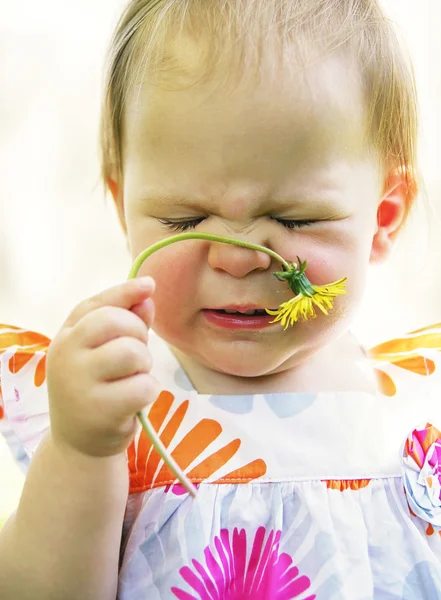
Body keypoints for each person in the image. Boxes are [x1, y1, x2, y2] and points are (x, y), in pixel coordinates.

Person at [1, 0, 441, 598]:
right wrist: (81, 452)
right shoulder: (114, 412)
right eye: (185, 220)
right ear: (123, 208)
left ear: (383, 219)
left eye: (295, 218)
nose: (238, 258)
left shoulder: (418, 419)